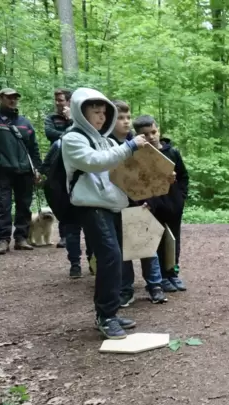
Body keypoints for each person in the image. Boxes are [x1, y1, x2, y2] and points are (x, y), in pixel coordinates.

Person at [62, 87, 147, 339]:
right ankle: (105, 316)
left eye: (103, 112)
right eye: (95, 112)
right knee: (109, 256)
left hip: (111, 205)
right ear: (80, 112)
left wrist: (161, 177)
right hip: (91, 207)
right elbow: (96, 162)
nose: (100, 117)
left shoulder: (108, 141)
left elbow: (128, 172)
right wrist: (130, 145)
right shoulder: (73, 139)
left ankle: (111, 311)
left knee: (117, 257)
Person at [112, 104, 166, 305]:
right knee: (123, 250)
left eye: (128, 117)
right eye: (120, 117)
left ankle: (155, 286)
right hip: (116, 203)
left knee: (147, 247)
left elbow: (152, 174)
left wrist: (149, 201)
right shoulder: (106, 144)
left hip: (142, 203)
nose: (125, 121)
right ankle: (126, 289)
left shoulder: (140, 144)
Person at [131, 114, 189, 293]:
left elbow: (183, 176)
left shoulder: (172, 152)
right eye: (146, 134)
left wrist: (181, 195)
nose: (151, 137)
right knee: (156, 242)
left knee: (174, 241)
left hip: (173, 205)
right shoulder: (138, 155)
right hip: (152, 206)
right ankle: (161, 277)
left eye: (153, 132)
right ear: (139, 136)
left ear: (159, 130)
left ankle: (173, 273)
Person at [0, 88, 42, 255]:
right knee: (3, 205)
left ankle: (21, 238)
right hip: (3, 170)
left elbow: (34, 148)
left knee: (24, 205)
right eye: (9, 97)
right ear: (0, 98)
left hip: (25, 170)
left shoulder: (25, 123)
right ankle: (2, 239)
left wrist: (37, 169)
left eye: (15, 98)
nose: (12, 100)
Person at [44, 88, 73, 248]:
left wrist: (70, 119)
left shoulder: (76, 117)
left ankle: (74, 233)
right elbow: (50, 133)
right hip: (57, 164)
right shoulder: (51, 118)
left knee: (71, 198)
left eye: (61, 100)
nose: (57, 103)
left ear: (69, 101)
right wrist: (67, 134)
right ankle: (64, 236)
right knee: (60, 197)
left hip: (73, 162)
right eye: (56, 100)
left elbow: (80, 132)